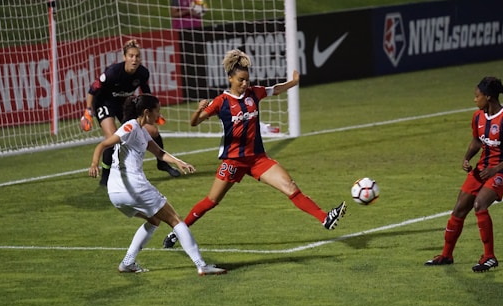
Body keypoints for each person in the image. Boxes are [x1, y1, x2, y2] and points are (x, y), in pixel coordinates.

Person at [162, 49, 347, 248]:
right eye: (241, 80)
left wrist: (293, 83)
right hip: (233, 161)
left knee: (291, 187)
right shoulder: (221, 102)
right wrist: (198, 109)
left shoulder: (254, 94)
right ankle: (176, 233)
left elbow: (274, 89)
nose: (245, 84)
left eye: (247, 80)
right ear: (230, 78)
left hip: (258, 159)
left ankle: (325, 218)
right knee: (212, 200)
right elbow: (194, 123)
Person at [88, 94, 227, 276]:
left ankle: (128, 262)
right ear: (146, 112)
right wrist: (94, 163)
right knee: (175, 220)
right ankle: (201, 265)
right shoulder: (130, 127)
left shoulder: (142, 131)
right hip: (134, 188)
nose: (159, 115)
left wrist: (178, 162)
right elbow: (103, 144)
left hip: (116, 193)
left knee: (154, 220)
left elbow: (159, 153)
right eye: (157, 111)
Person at [425, 76, 503, 272]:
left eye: (477, 96)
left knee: (480, 204)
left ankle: (489, 257)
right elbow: (477, 141)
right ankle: (446, 255)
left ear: (488, 97)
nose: (474, 100)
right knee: (459, 209)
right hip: (482, 168)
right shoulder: (478, 117)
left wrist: (495, 169)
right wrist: (467, 158)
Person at [81, 39, 181, 184]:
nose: (134, 59)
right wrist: (88, 111)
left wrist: (155, 113)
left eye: (137, 56)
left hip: (125, 104)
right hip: (104, 103)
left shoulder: (142, 72)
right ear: (124, 57)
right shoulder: (113, 72)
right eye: (131, 56)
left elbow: (146, 93)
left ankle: (162, 163)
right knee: (113, 138)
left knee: (152, 131)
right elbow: (92, 90)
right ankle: (105, 176)